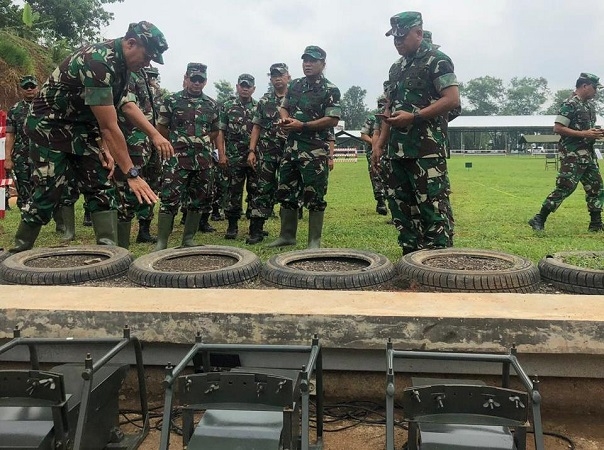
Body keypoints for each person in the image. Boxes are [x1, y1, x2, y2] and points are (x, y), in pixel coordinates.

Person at [9, 21, 170, 254]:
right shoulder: (99, 62)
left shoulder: (123, 66)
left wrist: (149, 136)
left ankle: (109, 255)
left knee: (102, 188)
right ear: (131, 43)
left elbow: (122, 105)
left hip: (82, 129)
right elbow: (109, 126)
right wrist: (132, 173)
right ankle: (17, 254)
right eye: (147, 57)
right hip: (49, 127)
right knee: (48, 192)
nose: (147, 64)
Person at [372, 11, 460, 255]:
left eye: (402, 36)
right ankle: (410, 258)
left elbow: (452, 99)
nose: (398, 42)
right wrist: (379, 144)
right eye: (394, 38)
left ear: (419, 33)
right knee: (401, 207)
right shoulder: (396, 68)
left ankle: (438, 263)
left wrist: (415, 116)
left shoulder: (437, 60)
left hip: (426, 150)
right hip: (396, 151)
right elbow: (390, 107)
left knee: (433, 207)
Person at [268, 45, 341, 249]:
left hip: (315, 150)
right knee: (286, 191)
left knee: (315, 194)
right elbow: (284, 107)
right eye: (305, 60)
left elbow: (333, 119)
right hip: (291, 149)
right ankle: (287, 235)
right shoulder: (296, 85)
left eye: (313, 61)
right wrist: (285, 120)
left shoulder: (330, 89)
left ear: (323, 64)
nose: (307, 64)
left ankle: (314, 241)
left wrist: (304, 126)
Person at [155, 62, 222, 250]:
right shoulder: (172, 101)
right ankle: (162, 242)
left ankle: (188, 239)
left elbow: (216, 131)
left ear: (205, 81)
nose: (197, 83)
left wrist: (201, 141)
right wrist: (177, 144)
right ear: (186, 78)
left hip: (203, 160)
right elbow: (161, 127)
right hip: (177, 159)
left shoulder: (212, 104)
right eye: (193, 79)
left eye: (200, 79)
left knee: (200, 198)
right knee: (169, 198)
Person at [528, 73, 604, 232]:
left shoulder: (589, 106)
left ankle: (596, 224)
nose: (596, 91)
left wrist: (596, 133)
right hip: (572, 155)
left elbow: (586, 129)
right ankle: (539, 218)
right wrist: (584, 134)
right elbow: (558, 128)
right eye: (594, 87)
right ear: (585, 86)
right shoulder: (570, 104)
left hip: (588, 154)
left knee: (596, 186)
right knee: (565, 187)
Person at [115, 65, 170, 247]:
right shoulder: (126, 73)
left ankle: (144, 230)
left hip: (150, 144)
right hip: (133, 142)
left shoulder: (144, 76)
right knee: (129, 189)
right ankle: (121, 243)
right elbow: (127, 107)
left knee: (152, 186)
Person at [246, 63, 291, 244]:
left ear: (288, 76)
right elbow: (256, 127)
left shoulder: (295, 99)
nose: (277, 78)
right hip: (267, 151)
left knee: (288, 189)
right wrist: (251, 150)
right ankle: (256, 230)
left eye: (281, 75)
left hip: (290, 151)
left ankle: (287, 232)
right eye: (274, 75)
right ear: (271, 79)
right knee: (262, 188)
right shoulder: (264, 101)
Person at [217, 74, 258, 240]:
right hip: (234, 157)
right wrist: (222, 154)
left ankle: (254, 227)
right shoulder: (227, 106)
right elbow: (221, 132)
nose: (245, 88)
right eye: (242, 85)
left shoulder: (259, 107)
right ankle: (232, 226)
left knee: (255, 190)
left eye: (248, 86)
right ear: (237, 87)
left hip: (254, 156)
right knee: (233, 192)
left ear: (254, 89)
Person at [360, 96, 388, 216]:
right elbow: (363, 135)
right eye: (380, 104)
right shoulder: (373, 118)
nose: (381, 107)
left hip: (391, 151)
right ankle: (381, 201)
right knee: (376, 175)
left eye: (384, 104)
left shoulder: (391, 115)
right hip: (374, 151)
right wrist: (376, 144)